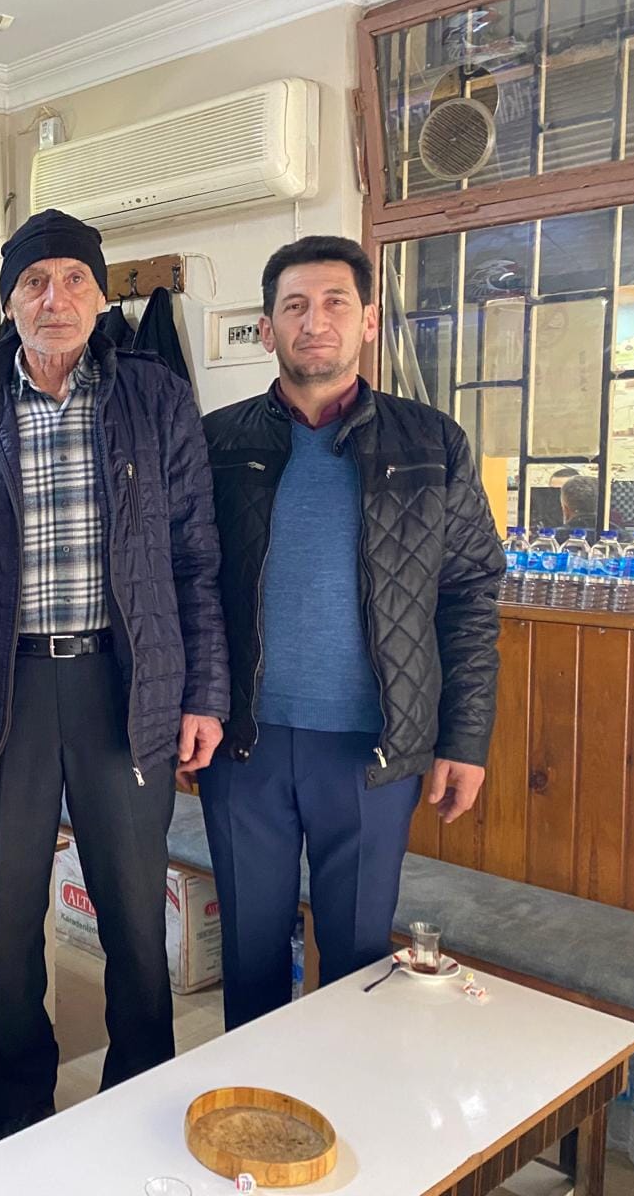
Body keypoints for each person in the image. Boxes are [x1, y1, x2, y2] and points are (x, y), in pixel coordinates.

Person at [0, 209, 229, 1153]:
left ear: (100, 296)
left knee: (134, 913)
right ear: (8, 299)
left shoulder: (156, 397)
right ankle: (18, 1105)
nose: (54, 299)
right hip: (4, 693)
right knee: (10, 917)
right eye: (33, 282)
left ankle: (139, 1092)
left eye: (73, 280)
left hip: (123, 688)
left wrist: (205, 693)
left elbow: (196, 558)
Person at [199, 236, 504, 1030]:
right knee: (251, 956)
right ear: (267, 327)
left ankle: (346, 1096)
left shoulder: (431, 443)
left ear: (368, 320)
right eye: (295, 306)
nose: (315, 322)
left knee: (358, 960)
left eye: (336, 302)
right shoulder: (217, 442)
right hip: (245, 746)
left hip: (373, 750)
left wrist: (465, 739)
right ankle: (257, 1096)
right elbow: (186, 586)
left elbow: (470, 597)